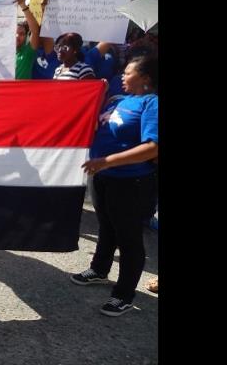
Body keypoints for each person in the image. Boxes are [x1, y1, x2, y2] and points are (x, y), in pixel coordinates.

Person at [70, 55, 158, 317]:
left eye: (128, 72)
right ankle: (99, 269)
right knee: (107, 226)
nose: (123, 75)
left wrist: (107, 161)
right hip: (105, 176)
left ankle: (124, 294)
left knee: (128, 237)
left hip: (133, 181)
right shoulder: (121, 99)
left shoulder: (152, 103)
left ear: (145, 78)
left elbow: (152, 147)